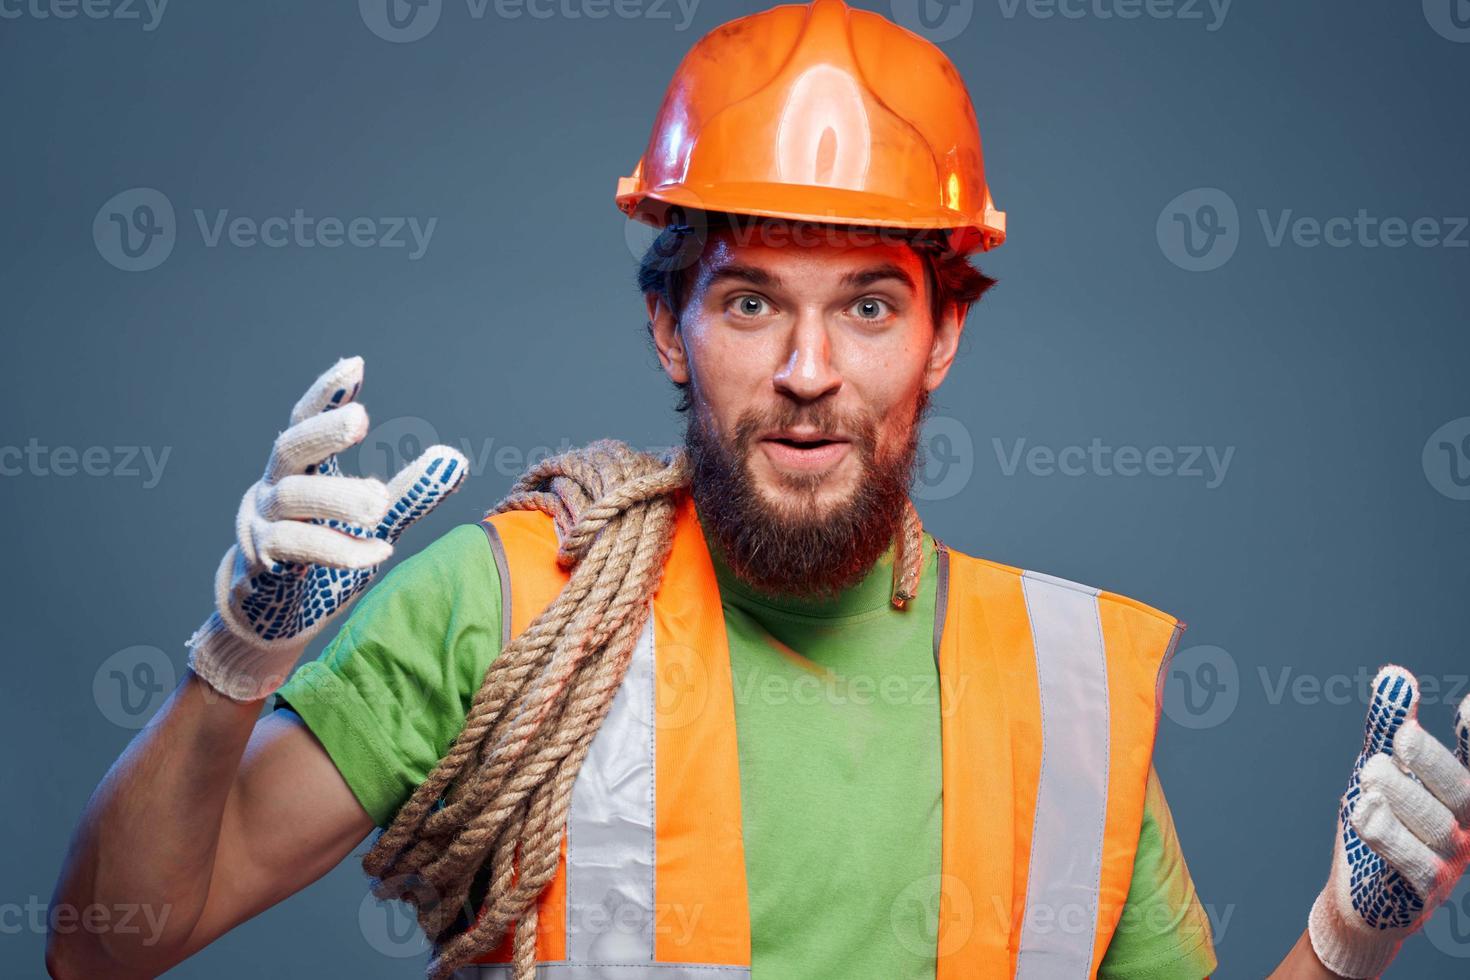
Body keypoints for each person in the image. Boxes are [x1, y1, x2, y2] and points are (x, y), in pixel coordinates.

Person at [46, 2, 1470, 979]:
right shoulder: (509, 607)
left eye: (865, 307)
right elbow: (106, 948)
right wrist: (234, 666)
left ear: (941, 335)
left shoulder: (1062, 691)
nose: (804, 369)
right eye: (747, 303)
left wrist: (1342, 944)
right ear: (669, 326)